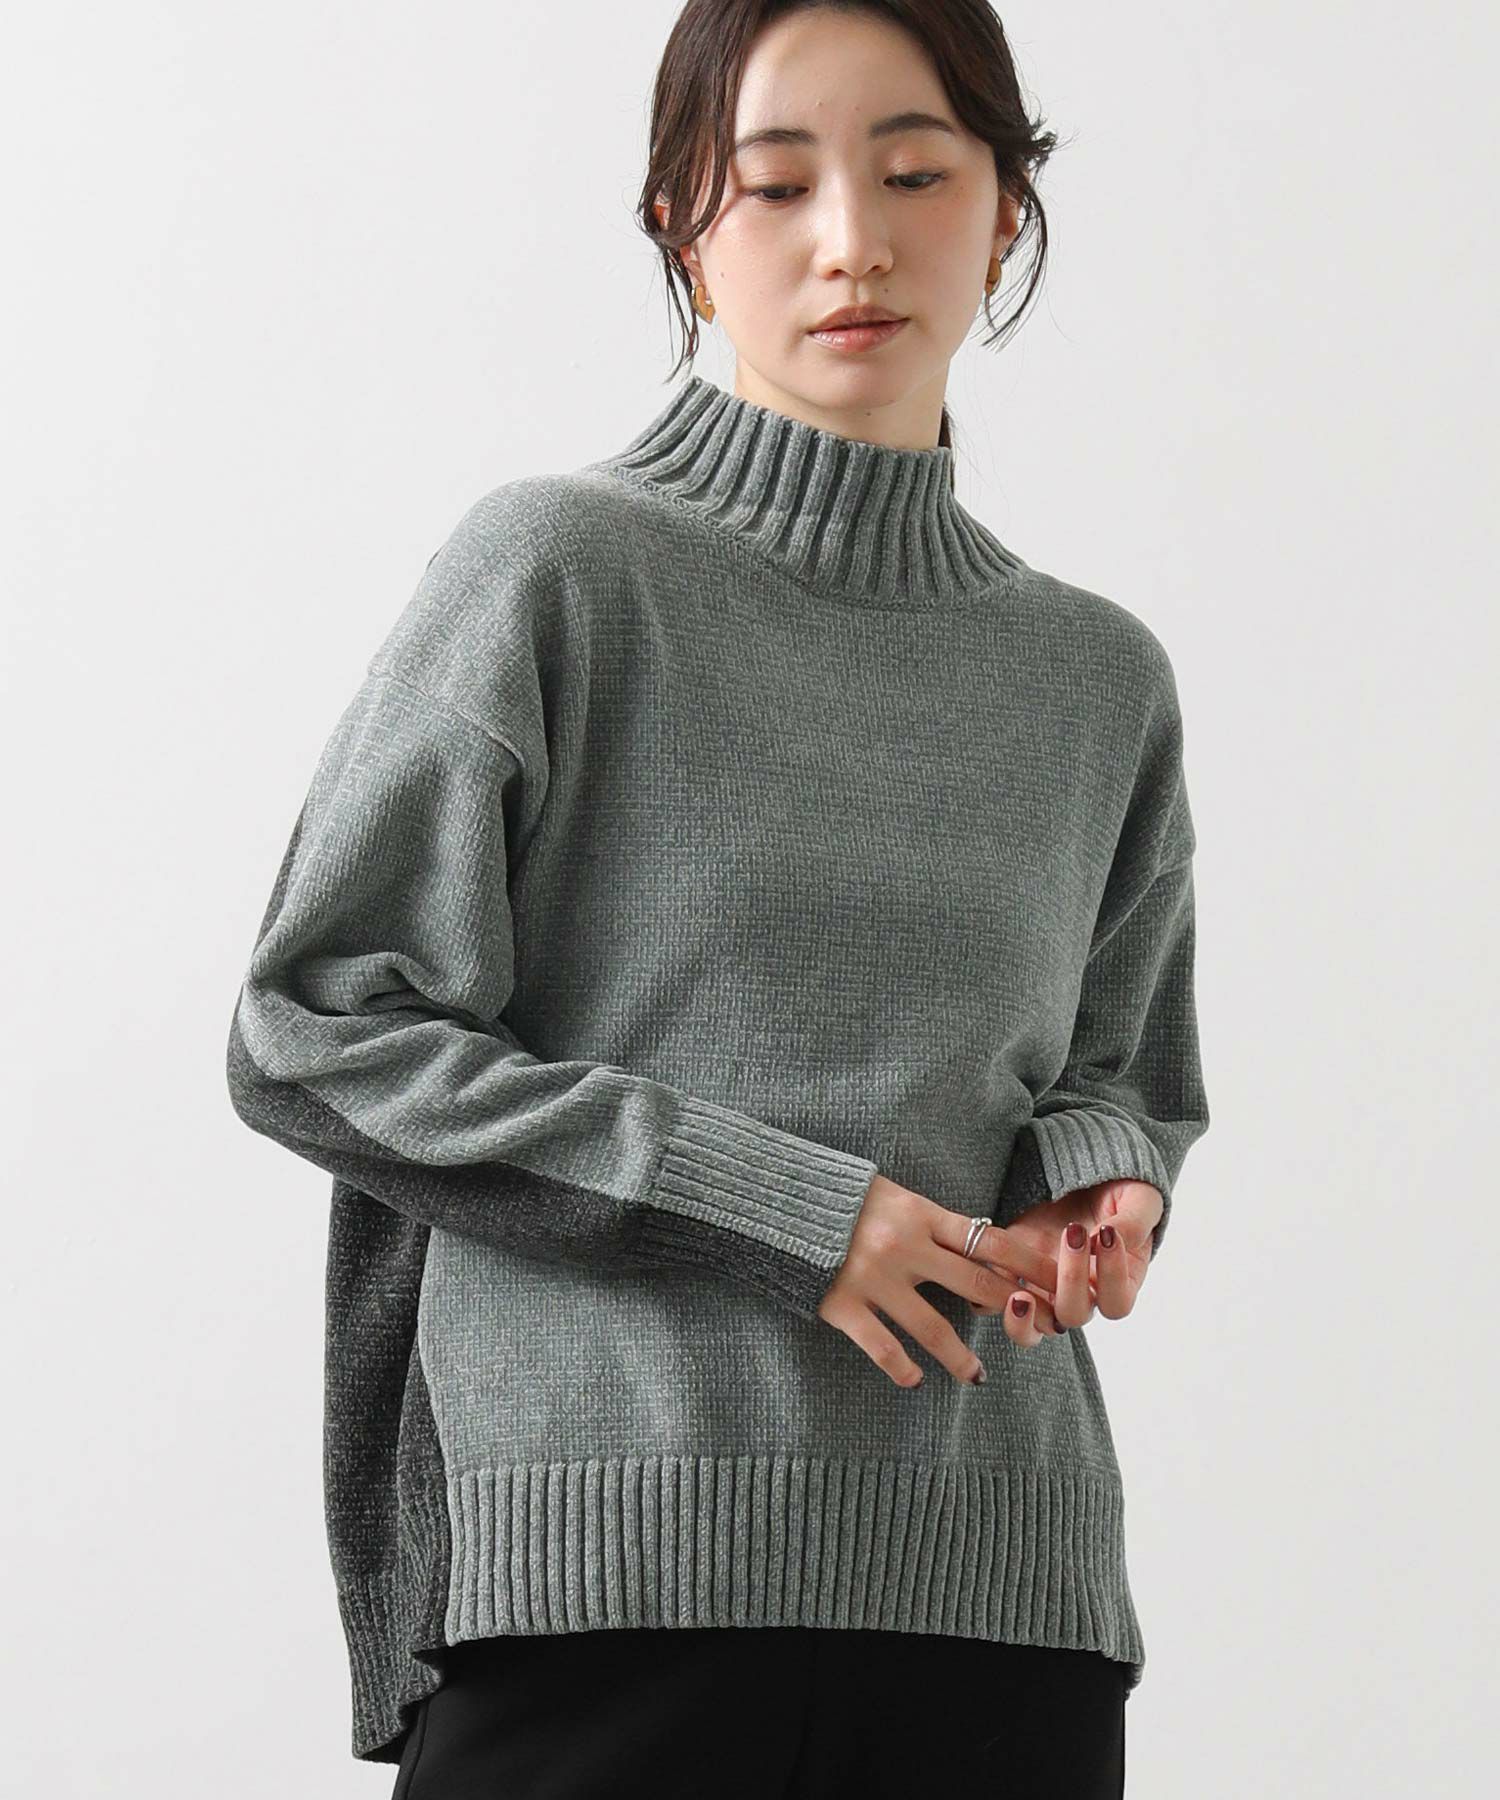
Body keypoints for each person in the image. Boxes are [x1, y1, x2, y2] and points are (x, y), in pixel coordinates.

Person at [225, 3, 1209, 1794]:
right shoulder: (559, 574)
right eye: (773, 185)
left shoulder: (1096, 678)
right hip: (609, 1594)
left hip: (1002, 1607)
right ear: (681, 226)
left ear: (1007, 210)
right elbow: (315, 1031)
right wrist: (785, 1211)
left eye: (916, 174)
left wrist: (1098, 1178)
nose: (854, 241)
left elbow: (1119, 1073)